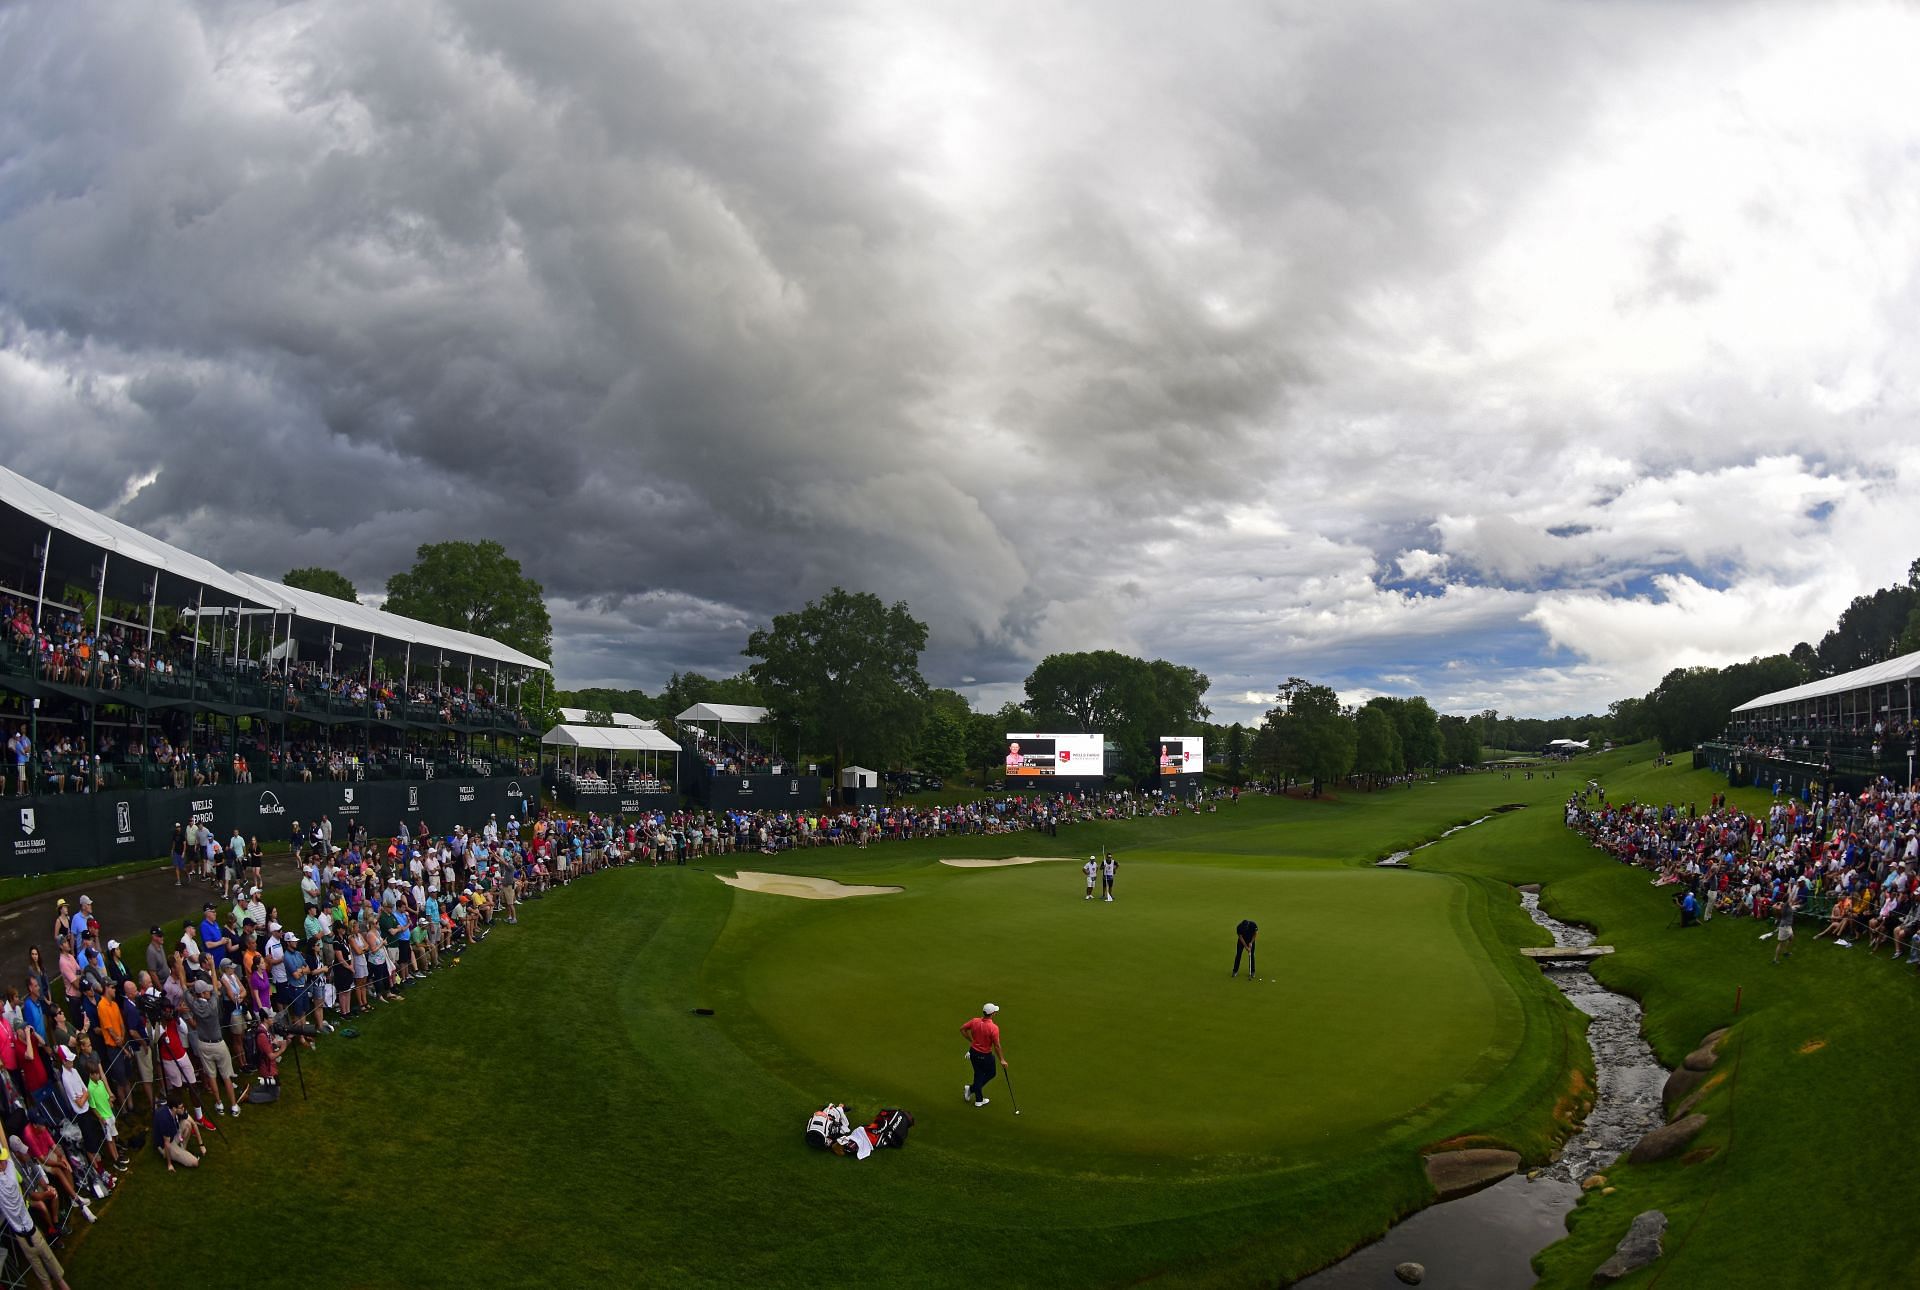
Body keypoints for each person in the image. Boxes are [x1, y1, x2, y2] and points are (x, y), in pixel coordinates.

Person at [0, 1138, 70, 1290]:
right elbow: (5, 1144)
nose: (6, 1161)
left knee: (43, 1277)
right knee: (52, 1264)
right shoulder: (11, 1172)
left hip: (21, 1238)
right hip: (33, 1233)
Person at [960, 1002, 1006, 1109]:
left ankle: (978, 1098)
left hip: (973, 1053)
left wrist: (972, 1041)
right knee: (991, 1073)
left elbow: (962, 1029)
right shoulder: (993, 1027)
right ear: (992, 1014)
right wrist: (1002, 1060)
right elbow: (997, 1046)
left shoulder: (975, 1021)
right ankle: (972, 1090)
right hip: (985, 1056)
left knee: (978, 1074)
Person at [1772, 892, 1796, 964]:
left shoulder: (1787, 904)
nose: (1791, 897)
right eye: (1790, 897)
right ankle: (1775, 959)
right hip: (1785, 926)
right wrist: (1778, 904)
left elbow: (1790, 896)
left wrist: (1790, 884)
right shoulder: (1785, 905)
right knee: (1781, 943)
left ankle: (1785, 952)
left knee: (1791, 938)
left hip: (1788, 926)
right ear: (1787, 899)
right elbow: (1774, 906)